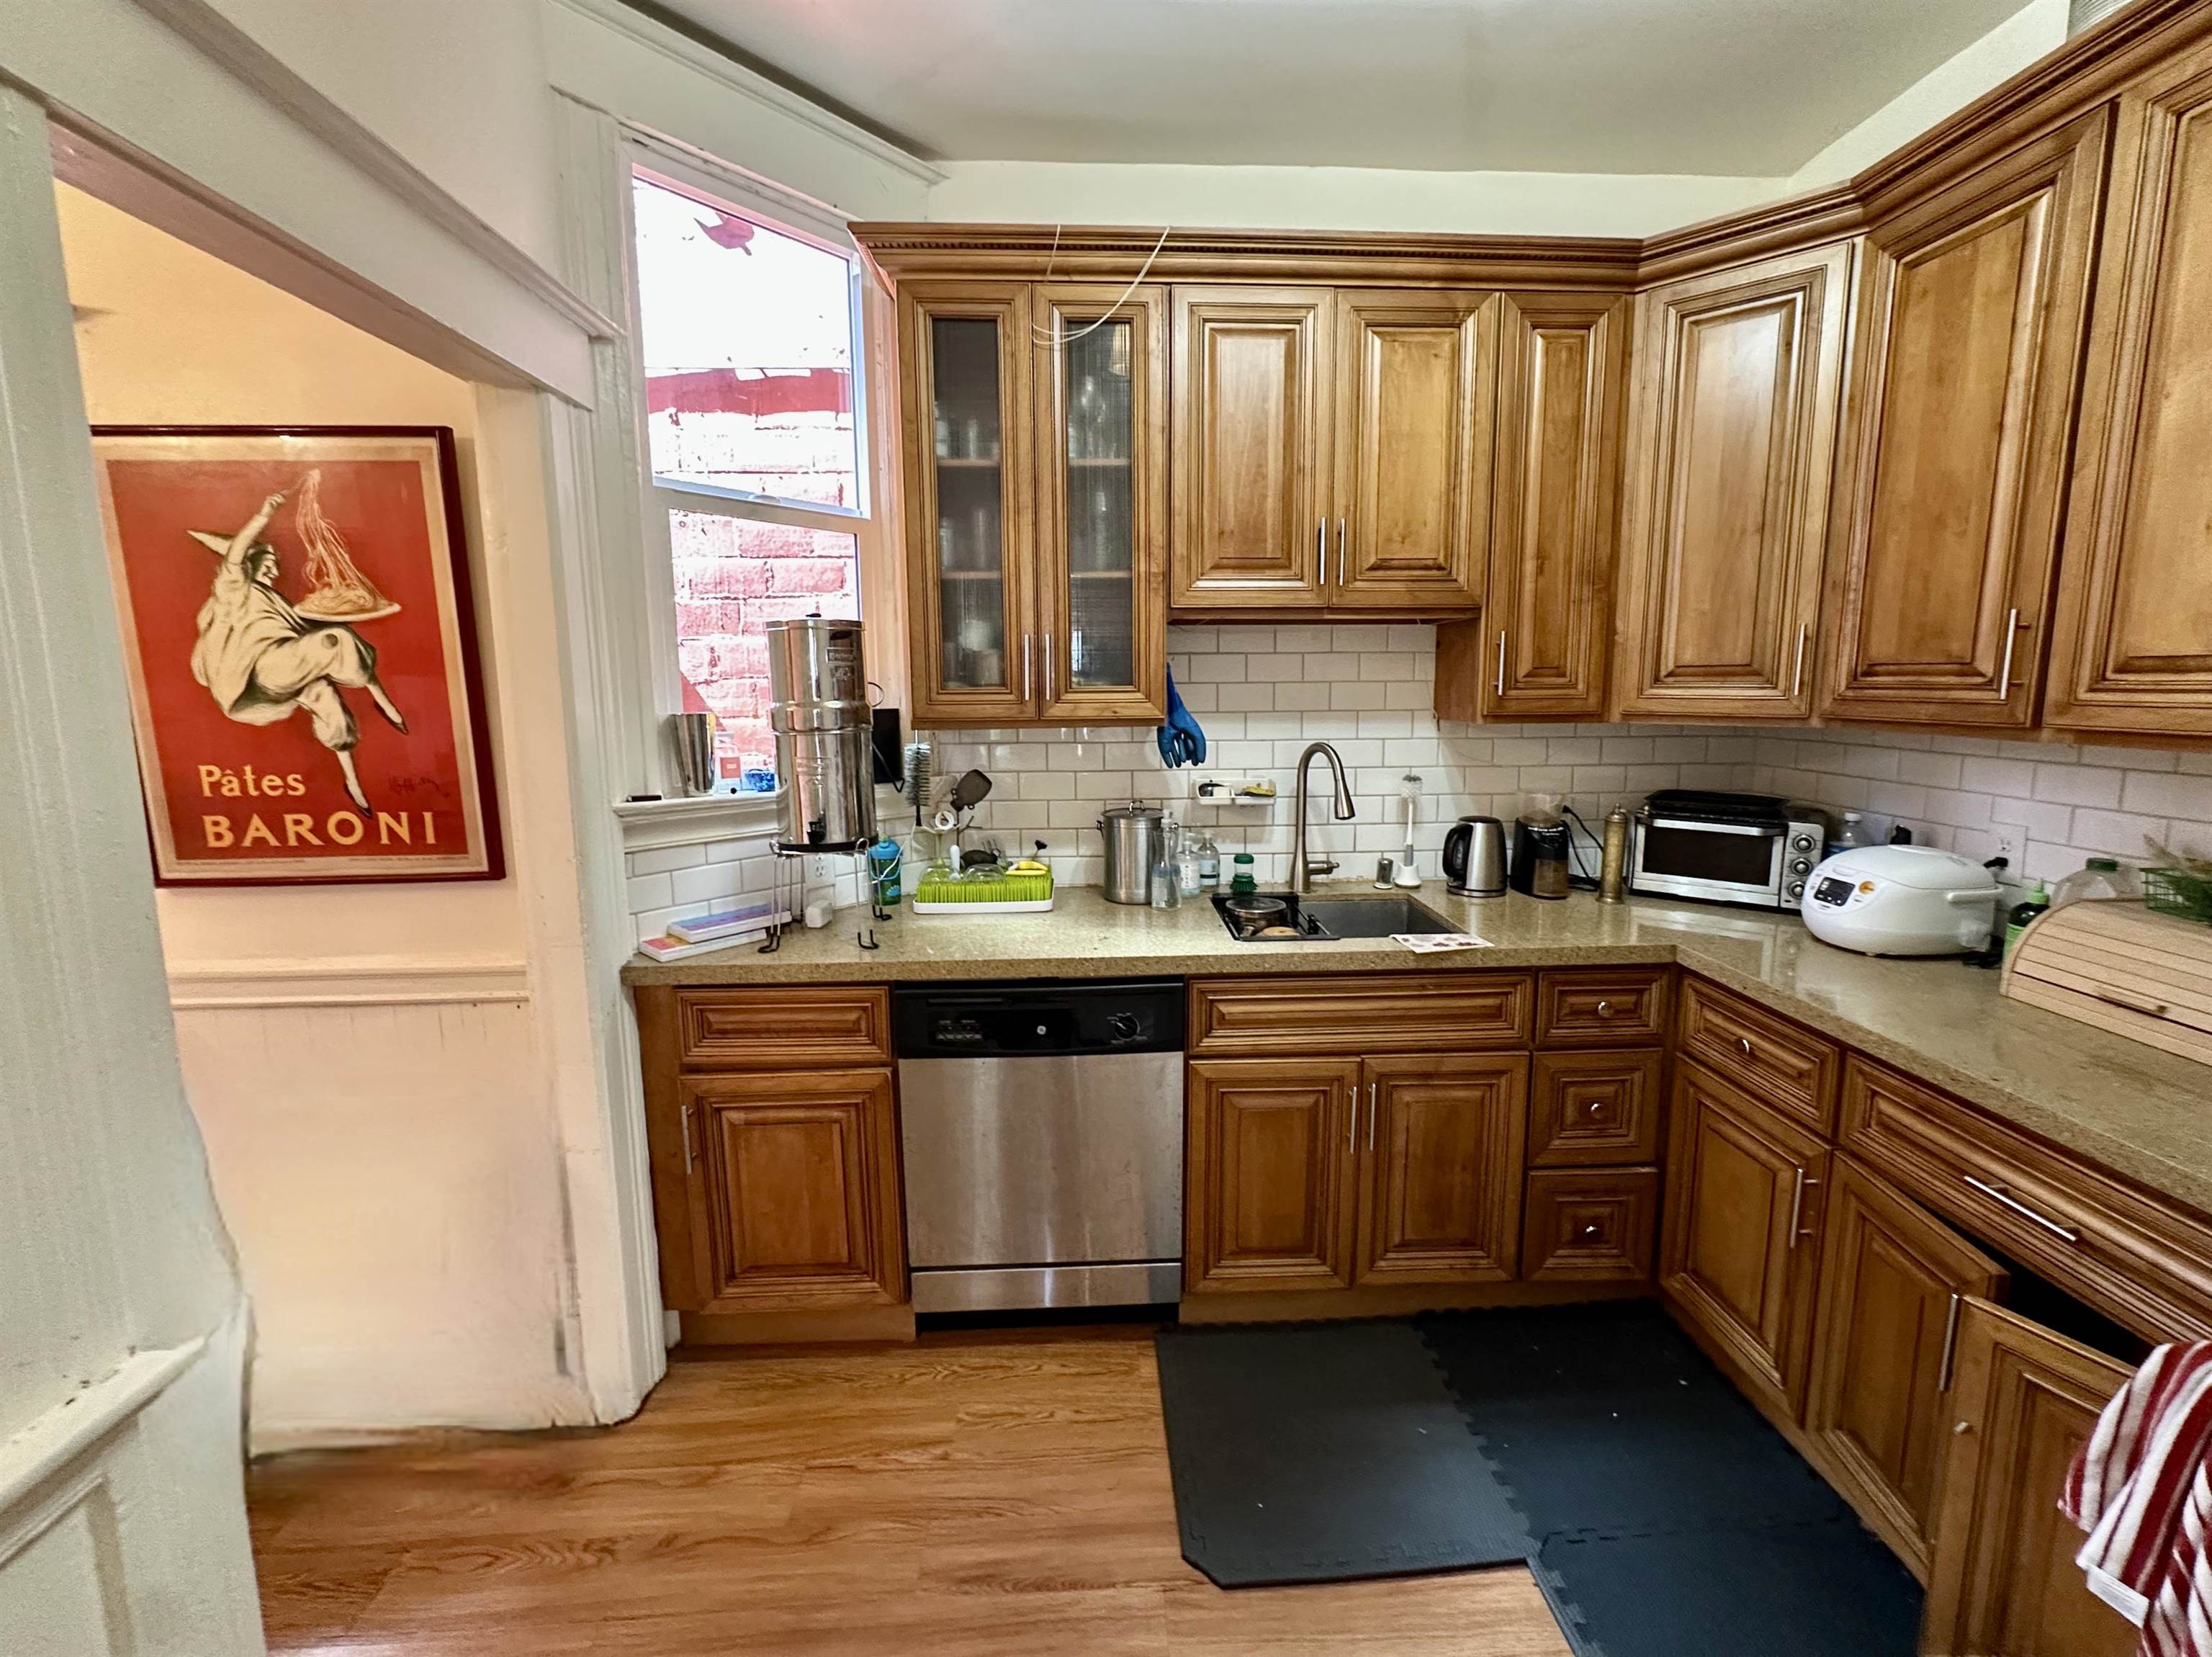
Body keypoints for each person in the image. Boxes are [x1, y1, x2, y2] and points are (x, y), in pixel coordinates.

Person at [188, 488, 405, 814]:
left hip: (284, 670)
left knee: (327, 698)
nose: (275, 573)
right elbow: (235, 555)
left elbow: (297, 633)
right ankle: (382, 699)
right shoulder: (235, 591)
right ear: (249, 566)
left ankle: (353, 783)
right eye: (268, 565)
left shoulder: (276, 602)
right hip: (263, 670)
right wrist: (263, 516)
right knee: (334, 640)